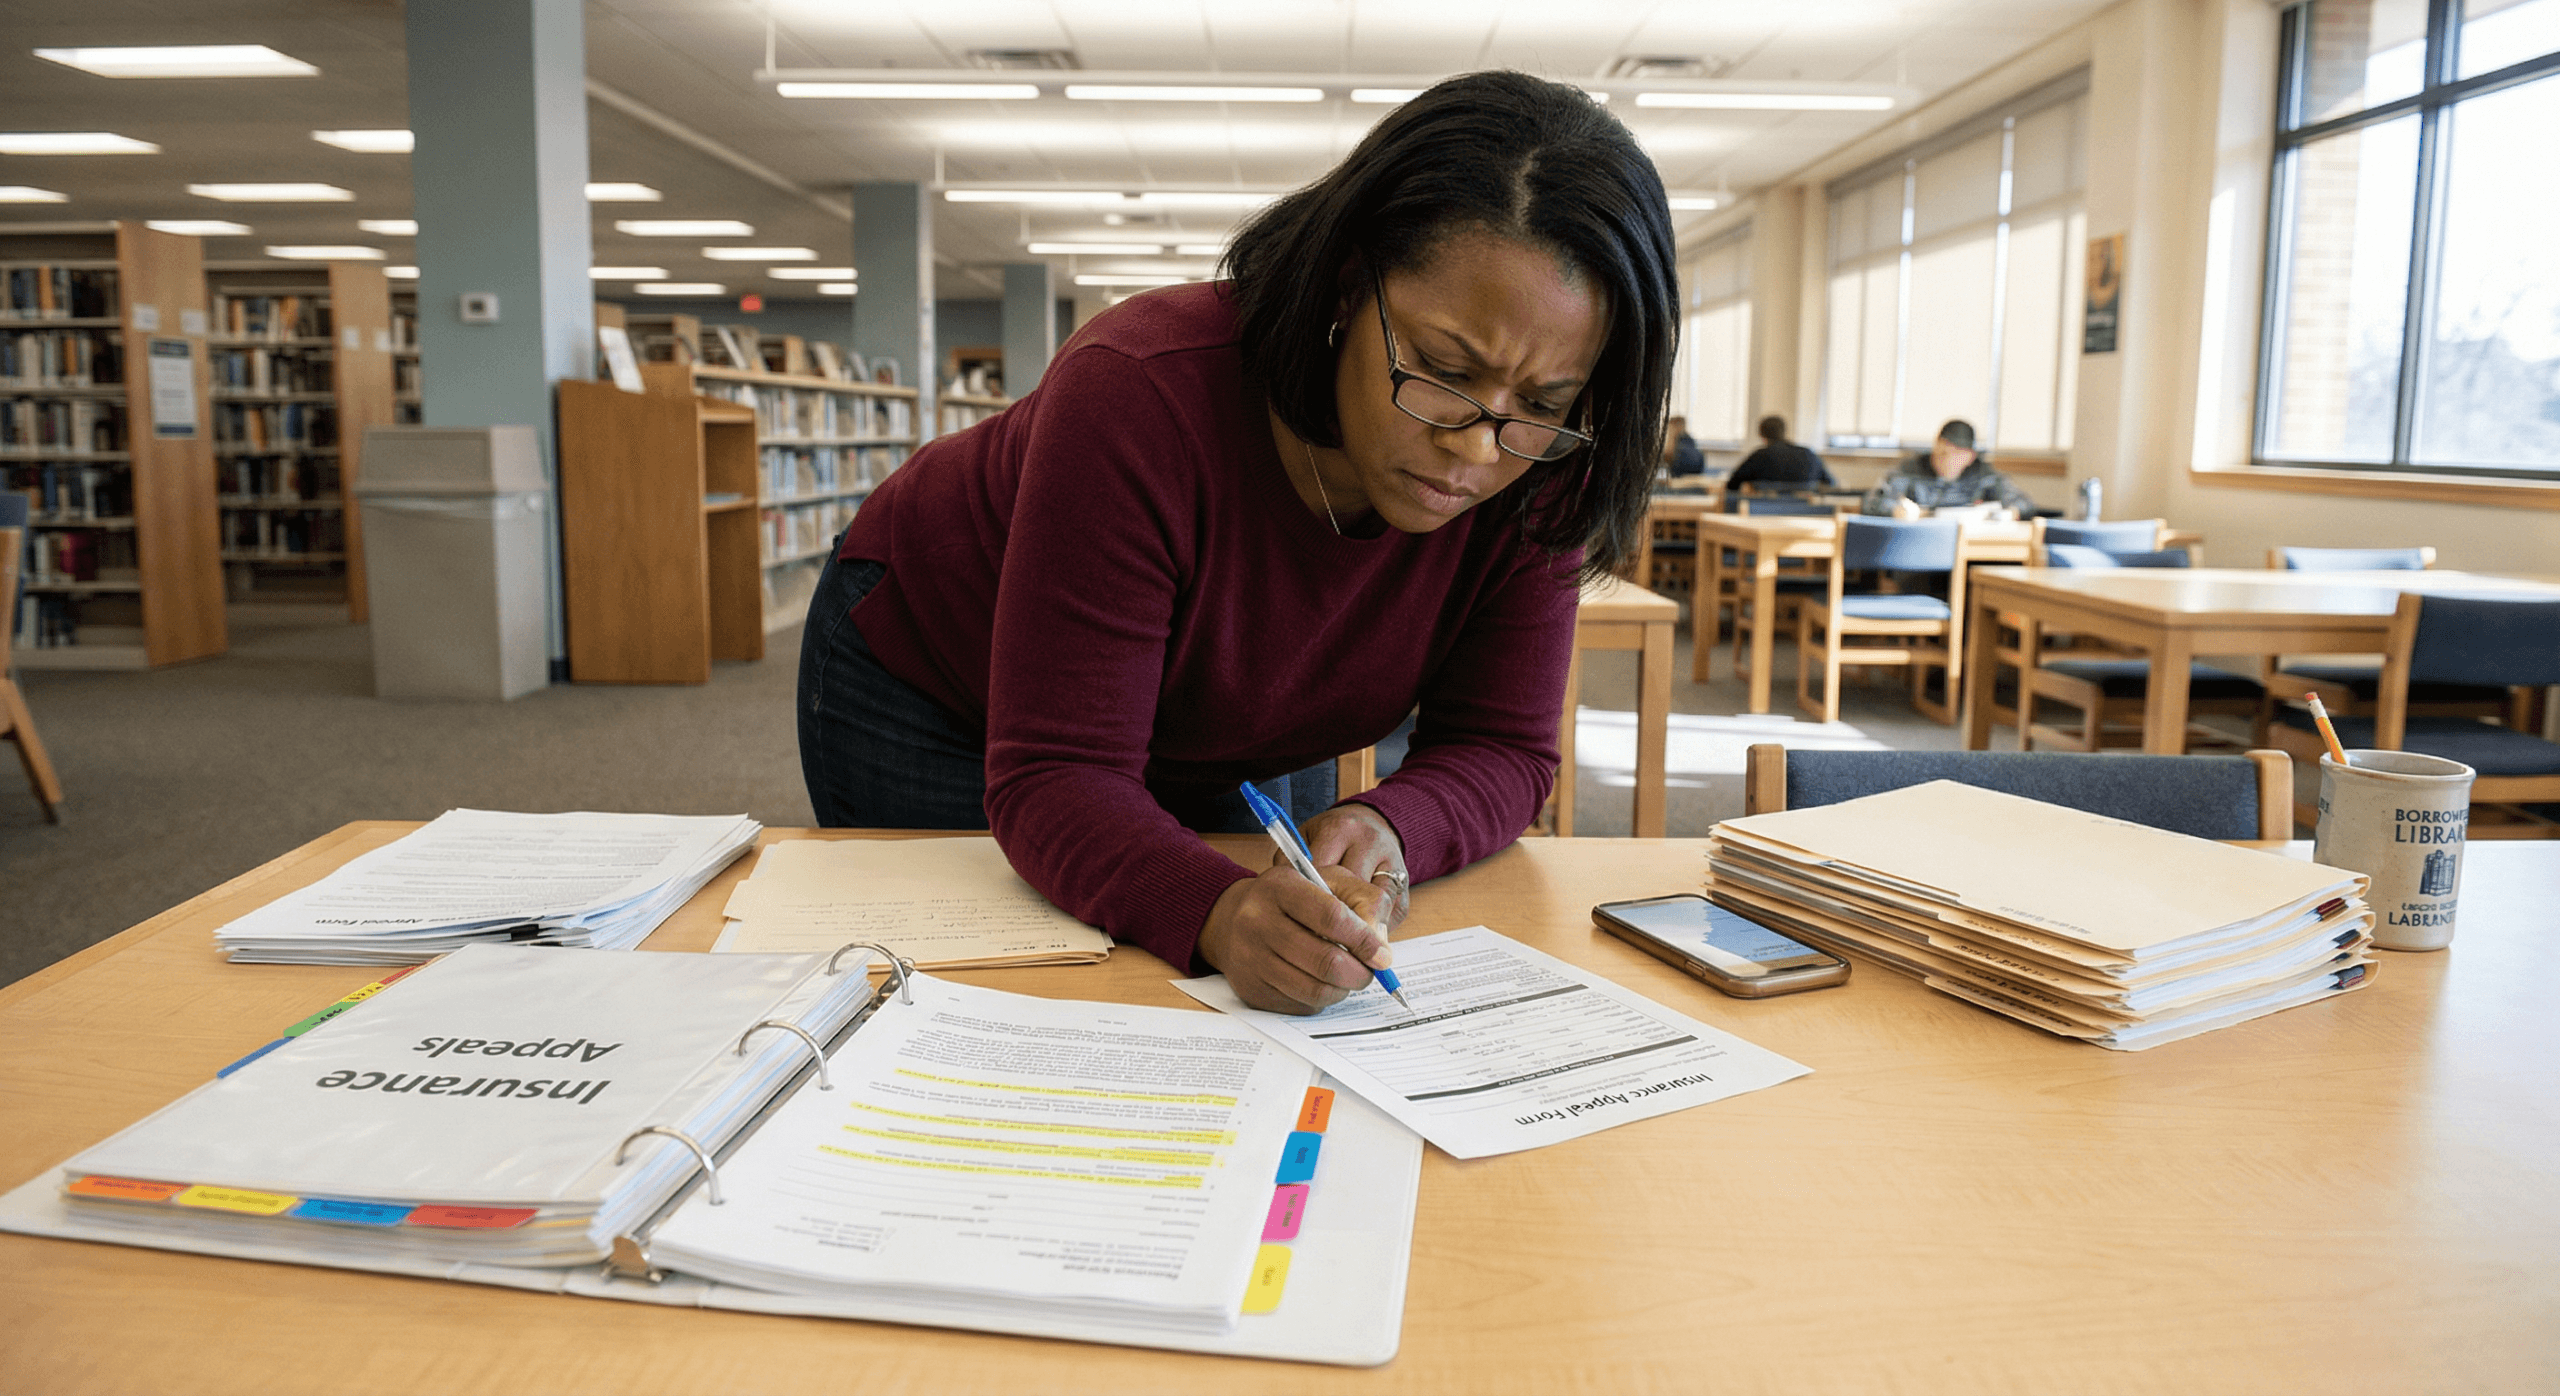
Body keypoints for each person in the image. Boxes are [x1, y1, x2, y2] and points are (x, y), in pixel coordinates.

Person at [796, 72, 1678, 1016]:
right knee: (979, 1014)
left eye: (1542, 404)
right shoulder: (1139, 388)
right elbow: (1060, 772)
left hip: (1206, 728)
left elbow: (1503, 745)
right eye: (1442, 369)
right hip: (934, 673)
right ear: (1349, 283)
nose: (1475, 445)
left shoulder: (1544, 465)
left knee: (1225, 981)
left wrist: (1391, 822)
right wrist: (1214, 909)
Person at [1861, 419, 2035, 518]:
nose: (1949, 458)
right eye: (1943, 451)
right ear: (1935, 447)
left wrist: (2009, 514)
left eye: (1958, 453)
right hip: (1920, 546)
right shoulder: (1909, 470)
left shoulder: (1984, 476)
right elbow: (1873, 501)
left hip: (1971, 548)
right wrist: (1898, 510)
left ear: (1970, 457)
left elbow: (2023, 503)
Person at [1725, 415, 1834, 493]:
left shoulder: (1759, 456)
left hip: (1763, 515)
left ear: (1761, 434)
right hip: (1807, 516)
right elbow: (1830, 483)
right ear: (1784, 431)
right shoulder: (1808, 454)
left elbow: (1732, 485)